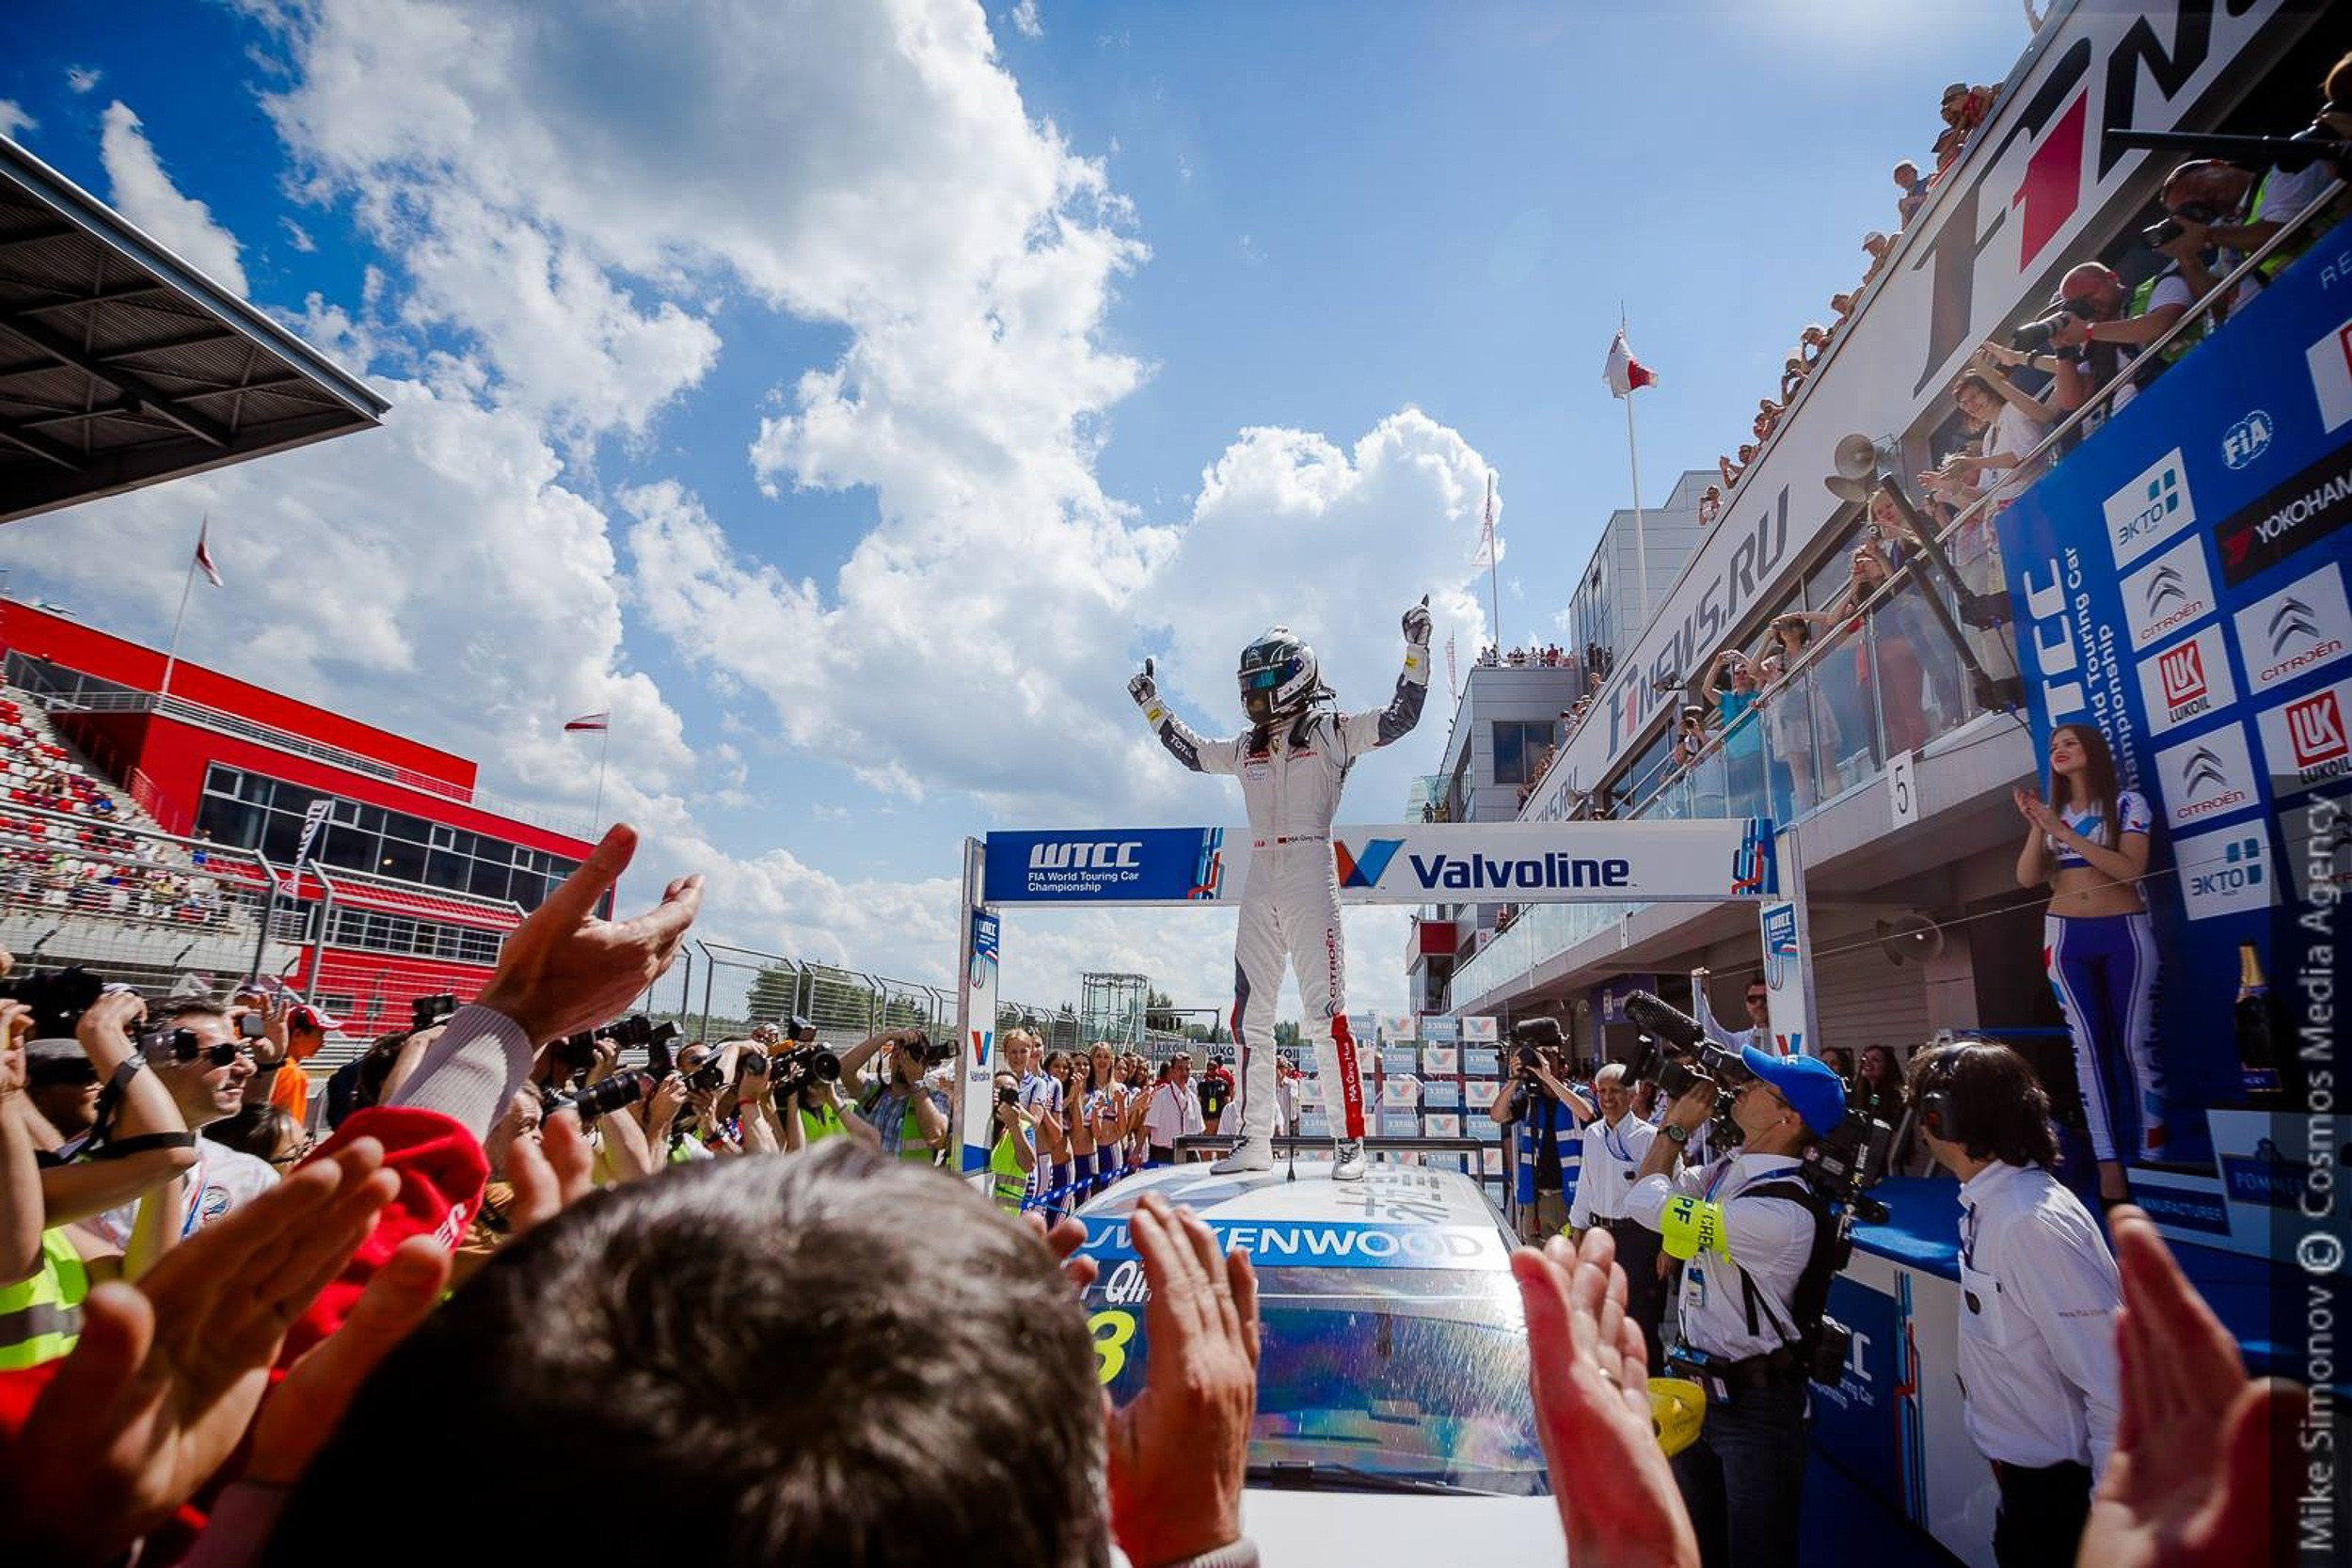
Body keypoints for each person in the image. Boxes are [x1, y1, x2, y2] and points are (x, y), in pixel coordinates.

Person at [1130, 599, 1433, 1179]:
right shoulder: (1247, 747)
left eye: (1265, 679)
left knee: (1324, 1015)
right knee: (1250, 1019)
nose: (1256, 692)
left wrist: (1416, 650)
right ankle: (1254, 1138)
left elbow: (1400, 718)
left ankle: (1349, 1144)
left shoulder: (1331, 732)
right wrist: (1153, 705)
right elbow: (1193, 753)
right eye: (1251, 681)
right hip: (1260, 876)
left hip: (1310, 872)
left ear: (1296, 675)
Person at [1625, 1046, 1850, 1568]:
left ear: (1786, 1118)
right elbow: (1656, 1191)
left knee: (1756, 1555)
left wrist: (1674, 1129)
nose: (1742, 1087)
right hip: (1699, 1394)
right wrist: (1676, 1131)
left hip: (1756, 1411)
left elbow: (1646, 1203)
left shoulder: (1781, 1212)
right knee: (1696, 1548)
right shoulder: (1730, 1170)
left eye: (1759, 1085)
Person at [1911, 1039, 2122, 1568]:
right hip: (2030, 1491)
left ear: (1946, 1117)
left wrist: (2108, 1530)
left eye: (1924, 1108)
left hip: (2061, 1503)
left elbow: (2113, 1386)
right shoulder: (1993, 1205)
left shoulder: (2029, 1224)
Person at [2013, 723, 2163, 1202]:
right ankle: (2107, 1162)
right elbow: (2026, 877)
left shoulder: (2127, 805)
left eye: (2070, 743)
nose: (2060, 751)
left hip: (2124, 930)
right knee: (2087, 1050)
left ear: (2092, 752)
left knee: (2135, 1045)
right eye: (2054, 745)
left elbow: (2131, 870)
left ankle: (2155, 1154)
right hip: (2064, 935)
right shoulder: (2053, 813)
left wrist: (2064, 833)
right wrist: (2041, 827)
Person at [1563, 1062, 1665, 1374]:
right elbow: (1586, 1184)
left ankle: (1650, 1390)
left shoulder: (1651, 1137)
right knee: (1603, 1316)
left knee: (1641, 1322)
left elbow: (1671, 1190)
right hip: (1601, 1235)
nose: (1608, 1098)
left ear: (1632, 1094)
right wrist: (1577, 1230)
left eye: (1616, 1091)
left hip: (1641, 1239)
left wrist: (1669, 1247)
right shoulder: (1593, 1134)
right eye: (1602, 1091)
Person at [1489, 1020, 1595, 1243]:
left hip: (1574, 1198)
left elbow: (1586, 1114)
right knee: (1538, 1270)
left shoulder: (1579, 1093)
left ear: (1564, 1067)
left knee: (1570, 1267)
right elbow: (1498, 1115)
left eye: (1550, 1060)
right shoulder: (1530, 1099)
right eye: (1539, 1059)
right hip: (1537, 1200)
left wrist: (1549, 1078)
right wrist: (1513, 1081)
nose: (1543, 1065)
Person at [854, 1029, 952, 1164]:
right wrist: (886, 1036)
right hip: (870, 1183)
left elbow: (936, 1137)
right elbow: (843, 1070)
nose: (904, 1063)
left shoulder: (936, 1099)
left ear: (924, 1065)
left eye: (912, 1058)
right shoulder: (873, 1091)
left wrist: (916, 1082)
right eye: (899, 1055)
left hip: (907, 1184)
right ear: (889, 1061)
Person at [987, 1070, 1037, 1212]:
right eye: (1001, 1090)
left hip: (1005, 1218)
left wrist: (1014, 1125)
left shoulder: (1024, 1127)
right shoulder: (978, 1122)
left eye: (1011, 1093)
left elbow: (1028, 1165)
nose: (1005, 1096)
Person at [1142, 1052, 1204, 1164]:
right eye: (1180, 1068)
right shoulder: (1161, 1096)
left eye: (1187, 1069)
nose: (1184, 1072)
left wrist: (1201, 1158)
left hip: (1189, 1155)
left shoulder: (1193, 1099)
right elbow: (1147, 1127)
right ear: (1172, 1071)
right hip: (1164, 1155)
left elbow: (1200, 1132)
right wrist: (1137, 1152)